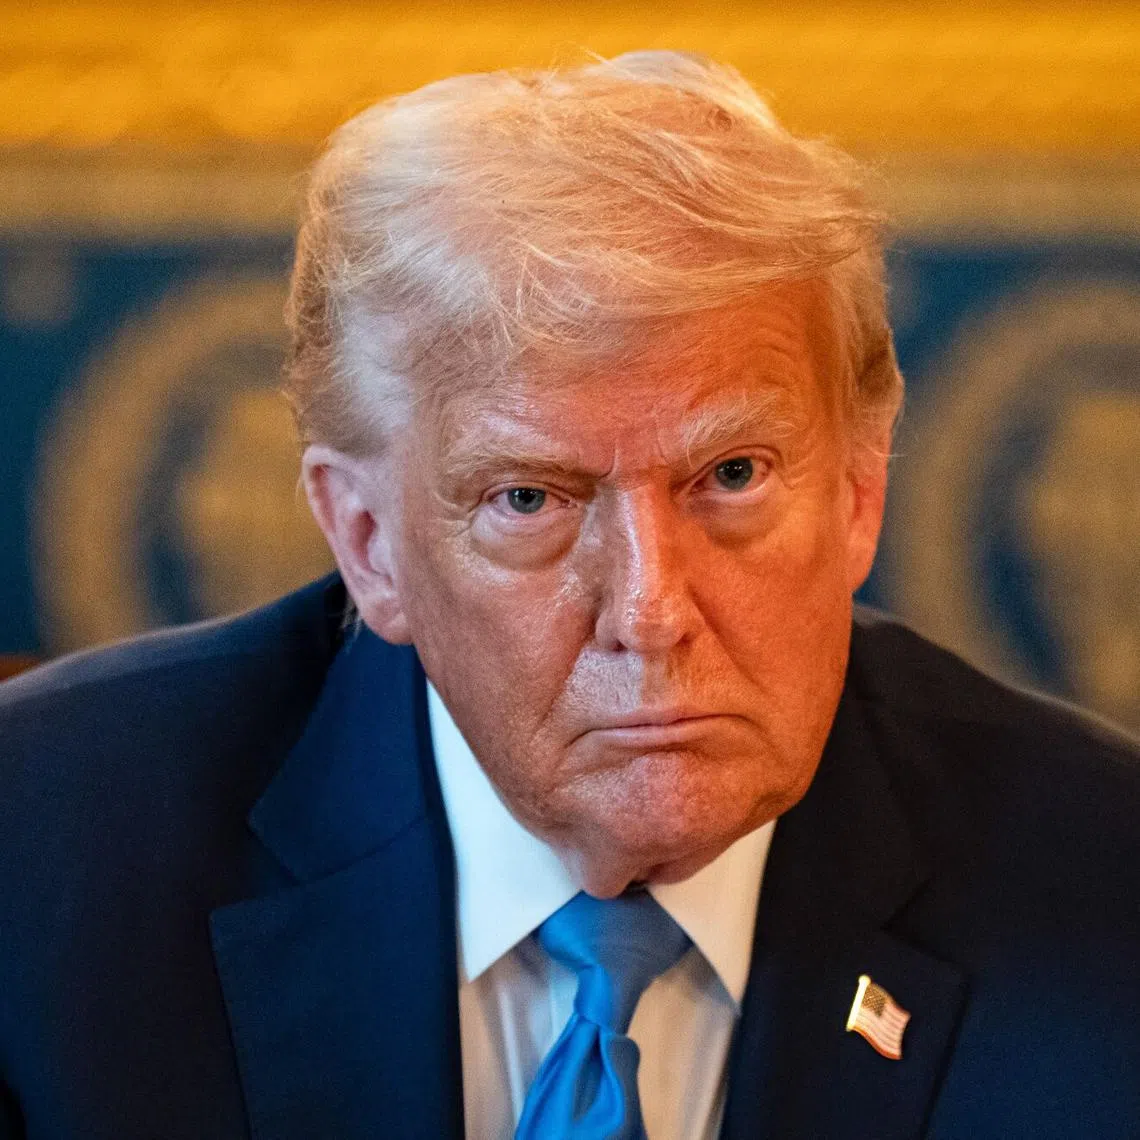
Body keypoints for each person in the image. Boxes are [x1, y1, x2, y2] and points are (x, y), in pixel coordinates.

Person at [1, 51, 1137, 1140]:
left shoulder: (1104, 888)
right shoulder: (43, 858)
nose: (651, 612)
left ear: (857, 491)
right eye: (529, 500)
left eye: (731, 476)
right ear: (368, 542)